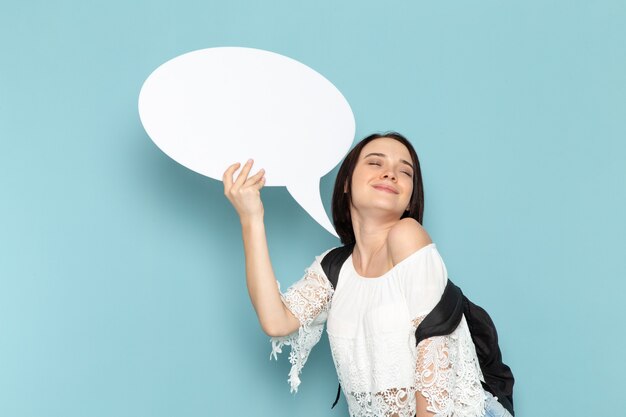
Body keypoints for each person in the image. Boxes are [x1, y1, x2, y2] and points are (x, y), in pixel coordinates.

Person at [222, 132, 512, 417]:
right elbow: (276, 321)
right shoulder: (334, 268)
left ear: (411, 200)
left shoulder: (407, 236)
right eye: (375, 163)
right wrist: (251, 218)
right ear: (346, 182)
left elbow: (437, 359)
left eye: (405, 171)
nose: (390, 174)